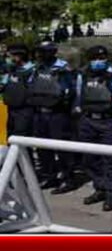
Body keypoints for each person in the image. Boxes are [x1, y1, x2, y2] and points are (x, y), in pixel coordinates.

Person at [74, 45, 112, 211]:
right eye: (95, 58)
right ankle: (99, 188)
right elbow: (79, 96)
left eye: (102, 58)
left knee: (110, 159)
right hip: (88, 121)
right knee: (90, 158)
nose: (98, 61)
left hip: (109, 121)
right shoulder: (84, 74)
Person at [27, 41, 78, 193]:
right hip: (40, 113)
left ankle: (67, 178)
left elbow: (74, 90)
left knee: (62, 148)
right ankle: (49, 176)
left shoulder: (64, 68)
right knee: (43, 148)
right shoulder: (37, 67)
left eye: (45, 52)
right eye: (40, 51)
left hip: (58, 114)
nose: (41, 55)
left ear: (53, 52)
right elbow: (31, 85)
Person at [0, 44, 36, 140]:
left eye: (9, 56)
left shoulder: (32, 70)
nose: (8, 59)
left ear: (18, 56)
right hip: (11, 110)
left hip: (25, 111)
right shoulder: (11, 70)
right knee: (10, 136)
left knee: (21, 138)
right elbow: (3, 85)